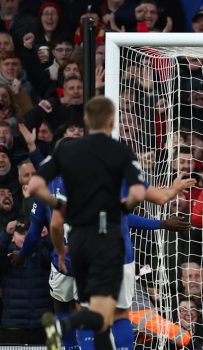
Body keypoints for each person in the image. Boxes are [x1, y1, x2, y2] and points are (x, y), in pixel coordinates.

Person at [27, 96, 146, 350]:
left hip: (79, 252)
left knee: (85, 307)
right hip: (114, 252)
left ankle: (62, 330)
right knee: (119, 312)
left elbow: (51, 220)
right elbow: (136, 198)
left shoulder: (59, 179)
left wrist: (59, 249)